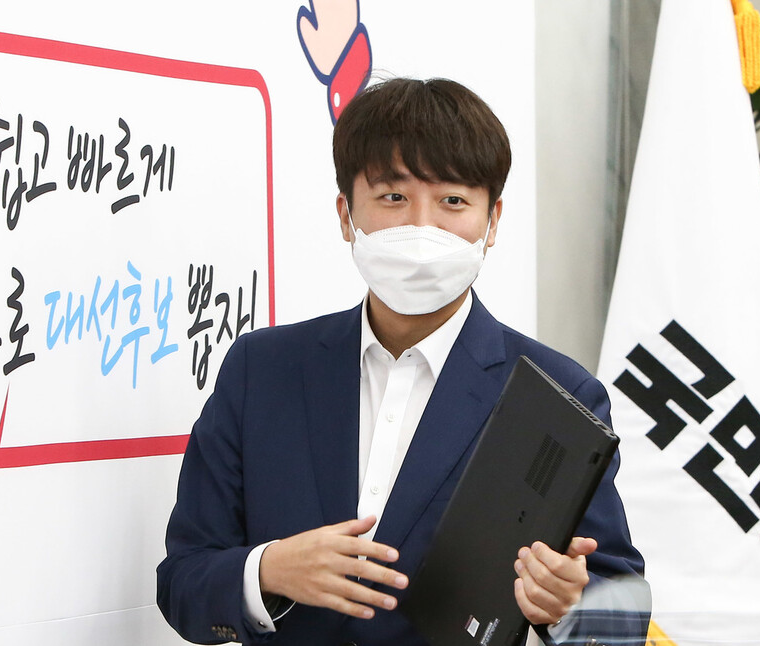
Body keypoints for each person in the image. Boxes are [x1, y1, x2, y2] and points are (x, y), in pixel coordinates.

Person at [157, 77, 649, 645]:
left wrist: (565, 606)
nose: (422, 226)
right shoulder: (260, 371)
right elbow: (182, 582)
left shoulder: (557, 394)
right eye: (393, 197)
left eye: (453, 201)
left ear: (492, 222)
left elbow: (620, 614)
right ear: (346, 214)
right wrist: (267, 570)